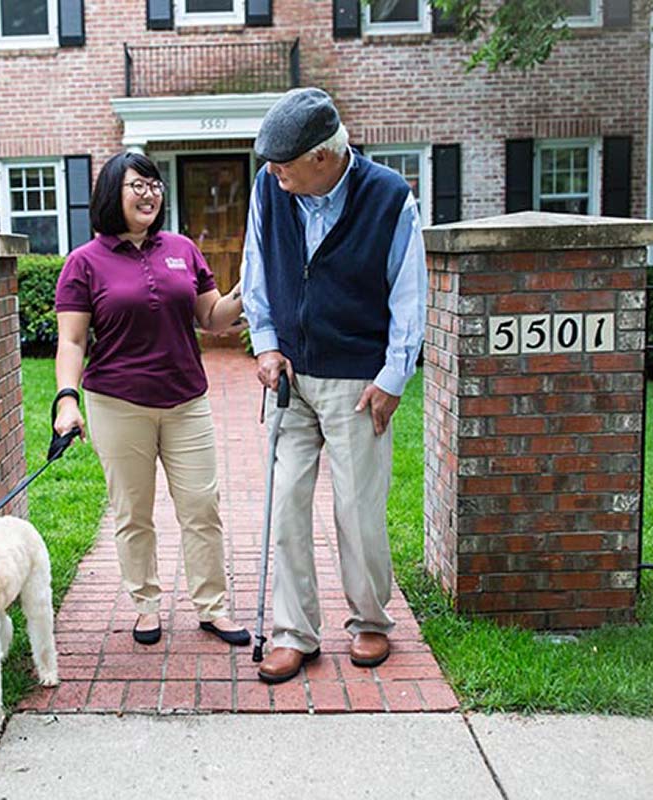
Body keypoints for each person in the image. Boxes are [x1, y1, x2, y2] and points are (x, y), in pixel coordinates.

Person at [240, 88, 427, 683]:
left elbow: (409, 294)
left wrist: (394, 377)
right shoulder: (272, 188)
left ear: (323, 157)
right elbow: (256, 270)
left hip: (358, 381)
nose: (272, 172)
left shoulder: (389, 197)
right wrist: (266, 344)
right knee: (286, 505)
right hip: (290, 376)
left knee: (358, 509)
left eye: (283, 162)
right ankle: (294, 633)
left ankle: (370, 620)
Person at [52, 151, 251, 647]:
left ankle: (213, 607)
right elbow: (72, 341)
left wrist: (249, 290)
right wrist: (66, 400)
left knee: (202, 506)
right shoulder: (84, 262)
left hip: (186, 400)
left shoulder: (182, 248)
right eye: (137, 184)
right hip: (117, 403)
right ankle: (145, 605)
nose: (150, 193)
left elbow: (213, 317)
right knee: (132, 511)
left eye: (155, 185)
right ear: (111, 194)